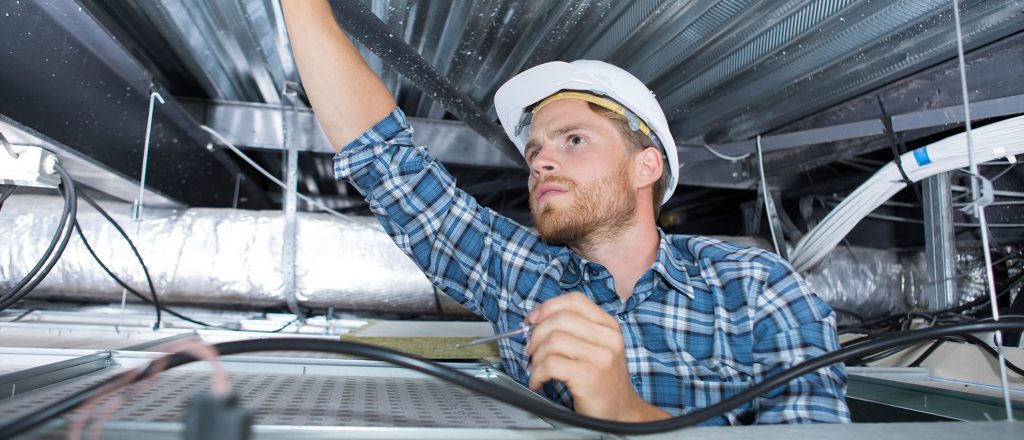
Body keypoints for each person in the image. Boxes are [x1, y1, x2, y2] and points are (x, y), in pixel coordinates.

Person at [281, 0, 850, 425]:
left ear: (645, 166)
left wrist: (623, 409)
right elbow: (388, 162)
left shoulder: (757, 289)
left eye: (572, 139)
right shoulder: (521, 275)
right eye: (535, 152)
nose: (542, 161)